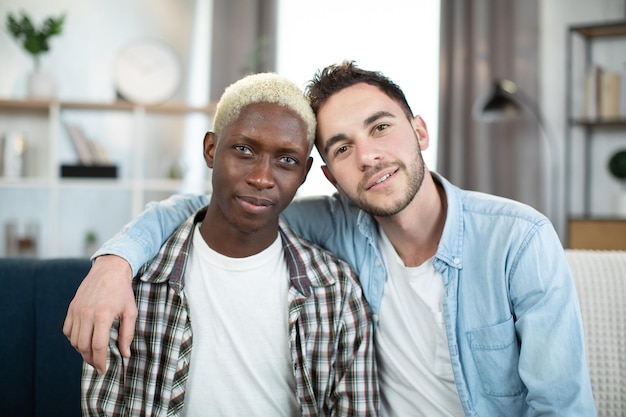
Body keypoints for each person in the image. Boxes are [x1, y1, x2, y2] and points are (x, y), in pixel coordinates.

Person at [65, 62, 596, 416]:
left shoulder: (518, 241)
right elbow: (209, 208)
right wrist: (114, 261)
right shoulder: (336, 226)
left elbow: (560, 406)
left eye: (381, 128)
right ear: (328, 176)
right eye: (342, 148)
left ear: (420, 131)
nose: (367, 156)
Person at [76, 72, 378, 416]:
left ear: (305, 172)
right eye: (244, 150)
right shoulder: (131, 282)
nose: (262, 178)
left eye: (287, 160)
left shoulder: (335, 290)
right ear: (210, 149)